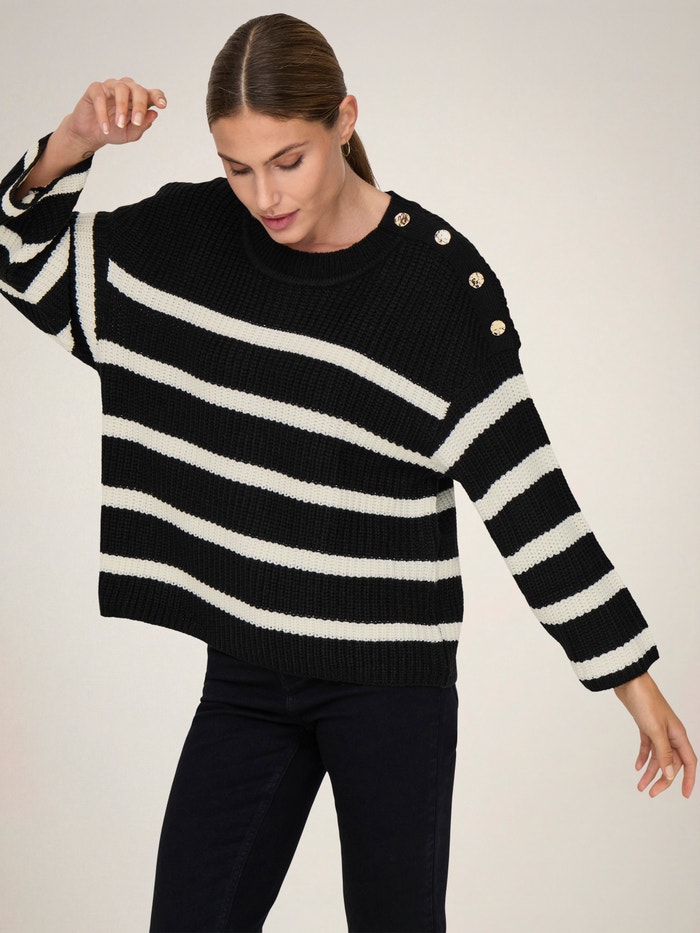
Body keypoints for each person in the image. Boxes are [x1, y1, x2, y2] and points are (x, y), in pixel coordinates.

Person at [0, 12, 695, 933]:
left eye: (287, 160)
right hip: (246, 676)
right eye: (237, 167)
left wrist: (632, 679)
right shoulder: (190, 240)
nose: (264, 195)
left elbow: (527, 499)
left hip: (390, 687)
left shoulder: (437, 287)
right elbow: (24, 261)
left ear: (345, 120)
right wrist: (72, 142)